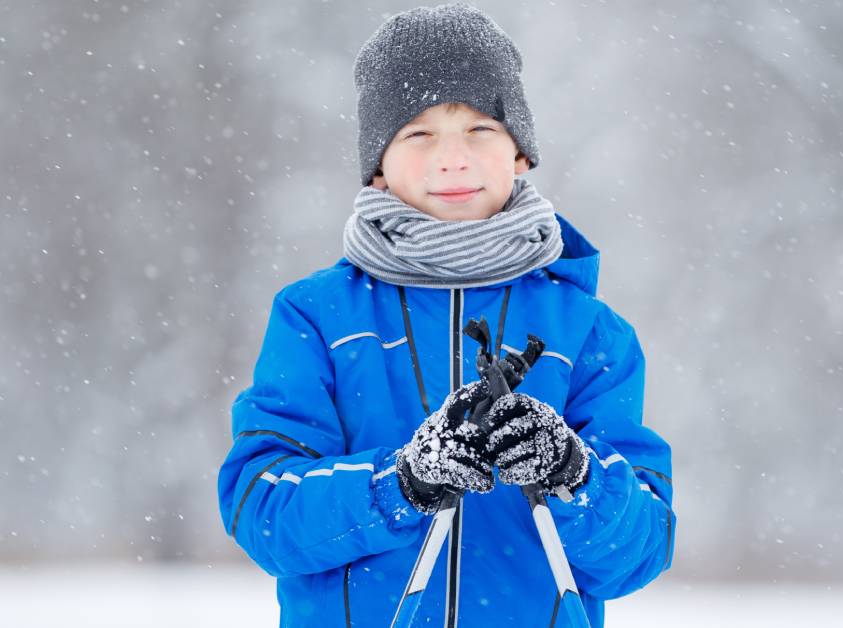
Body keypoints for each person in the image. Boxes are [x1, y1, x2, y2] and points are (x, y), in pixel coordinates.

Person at [215, 4, 676, 626]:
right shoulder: (317, 317)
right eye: (418, 133)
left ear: (520, 155)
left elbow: (640, 553)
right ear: (378, 165)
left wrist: (573, 475)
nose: (452, 158)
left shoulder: (590, 331)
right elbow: (262, 511)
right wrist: (399, 483)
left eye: (480, 129)